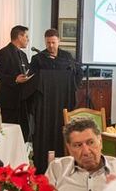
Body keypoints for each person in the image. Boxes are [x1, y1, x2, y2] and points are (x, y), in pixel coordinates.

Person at [31, 28, 84, 172]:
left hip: (63, 100)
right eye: (48, 43)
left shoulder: (66, 56)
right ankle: (42, 166)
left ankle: (64, 162)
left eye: (53, 42)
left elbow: (79, 72)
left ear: (59, 41)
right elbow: (32, 79)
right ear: (45, 42)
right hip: (44, 104)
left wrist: (73, 87)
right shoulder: (38, 58)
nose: (51, 46)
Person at [0, 25, 36, 140]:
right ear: (19, 36)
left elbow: (26, 71)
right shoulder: (4, 53)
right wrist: (15, 79)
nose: (28, 39)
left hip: (23, 100)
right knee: (10, 133)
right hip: (9, 101)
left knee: (23, 132)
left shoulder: (23, 55)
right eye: (26, 36)